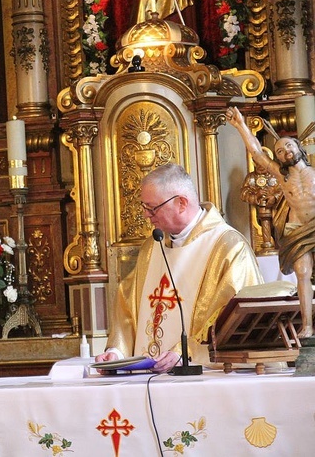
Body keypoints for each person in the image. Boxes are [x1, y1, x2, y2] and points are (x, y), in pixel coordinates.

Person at [95, 163, 263, 373]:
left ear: (182, 203)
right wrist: (117, 353)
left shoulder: (228, 247)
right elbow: (128, 306)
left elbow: (239, 317)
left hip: (207, 378)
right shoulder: (152, 247)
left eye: (152, 208)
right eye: (144, 207)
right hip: (147, 381)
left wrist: (186, 351)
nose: (147, 215)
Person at [226, 106, 315, 338]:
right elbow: (256, 153)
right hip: (297, 230)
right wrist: (240, 125)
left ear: (299, 147)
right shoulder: (282, 176)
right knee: (302, 272)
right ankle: (307, 326)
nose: (286, 151)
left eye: (289, 146)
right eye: (280, 150)